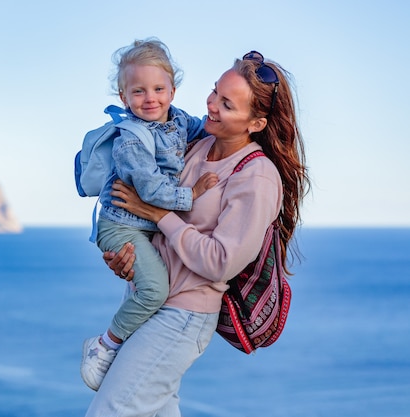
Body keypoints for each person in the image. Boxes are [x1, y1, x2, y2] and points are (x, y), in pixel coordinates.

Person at [84, 51, 310, 416]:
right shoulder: (195, 145)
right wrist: (125, 259)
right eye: (214, 92)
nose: (212, 106)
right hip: (148, 301)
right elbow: (154, 230)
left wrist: (159, 215)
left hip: (183, 314)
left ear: (256, 123)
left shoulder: (257, 176)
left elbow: (220, 261)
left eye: (227, 104)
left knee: (109, 411)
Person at [80, 38, 217, 392]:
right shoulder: (130, 142)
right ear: (123, 98)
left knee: (150, 288)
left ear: (173, 90)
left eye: (158, 88)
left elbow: (207, 132)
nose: (150, 98)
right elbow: (152, 189)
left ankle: (131, 350)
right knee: (155, 290)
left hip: (144, 225)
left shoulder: (179, 121)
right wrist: (193, 193)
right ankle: (105, 344)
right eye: (138, 91)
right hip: (121, 225)